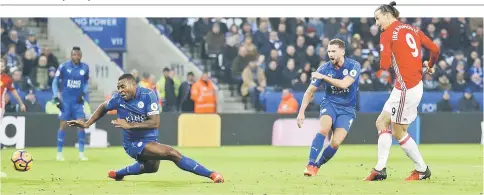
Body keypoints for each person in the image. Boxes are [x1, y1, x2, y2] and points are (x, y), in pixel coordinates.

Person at [67, 74, 224, 183]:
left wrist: (130, 124)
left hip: (150, 140)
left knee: (151, 168)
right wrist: (88, 123)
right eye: (118, 87)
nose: (120, 90)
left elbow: (155, 122)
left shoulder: (148, 95)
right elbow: (103, 107)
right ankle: (212, 174)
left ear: (134, 84)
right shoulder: (118, 99)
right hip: (132, 143)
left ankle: (118, 174)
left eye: (123, 86)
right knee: (172, 153)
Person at [364, 1, 440, 181]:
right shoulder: (412, 29)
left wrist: (386, 50)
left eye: (377, 18)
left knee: (398, 132)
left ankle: (421, 170)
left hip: (406, 87)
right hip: (407, 85)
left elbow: (384, 65)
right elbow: (435, 49)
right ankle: (381, 168)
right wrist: (429, 65)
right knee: (381, 122)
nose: (377, 23)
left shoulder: (387, 34)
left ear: (388, 15)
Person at [296, 38, 361, 177]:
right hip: (330, 104)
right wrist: (301, 112)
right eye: (329, 51)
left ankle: (317, 166)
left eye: (333, 51)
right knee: (324, 128)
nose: (330, 54)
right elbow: (310, 91)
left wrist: (324, 78)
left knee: (336, 143)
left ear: (342, 51)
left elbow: (344, 84)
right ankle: (310, 163)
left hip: (347, 109)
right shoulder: (324, 69)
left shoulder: (354, 66)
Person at [52, 47, 90, 161]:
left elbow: (86, 83)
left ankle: (81, 153)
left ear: (81, 56)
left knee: (81, 126)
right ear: (71, 55)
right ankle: (59, 152)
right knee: (63, 126)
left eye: (78, 55)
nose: (76, 57)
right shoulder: (64, 67)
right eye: (74, 55)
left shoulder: (85, 67)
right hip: (66, 101)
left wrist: (83, 93)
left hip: (78, 102)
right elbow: (55, 82)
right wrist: (56, 97)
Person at [0, 58, 26, 178]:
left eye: (2, 64)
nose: (1, 66)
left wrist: (21, 103)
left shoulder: (7, 79)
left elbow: (14, 92)